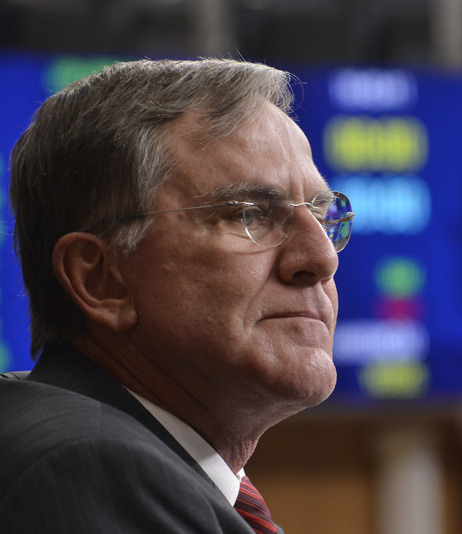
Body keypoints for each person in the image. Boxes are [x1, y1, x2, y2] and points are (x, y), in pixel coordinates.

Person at [0, 58, 354, 533]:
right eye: (249, 215)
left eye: (323, 215)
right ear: (101, 280)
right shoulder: (89, 466)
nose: (321, 258)